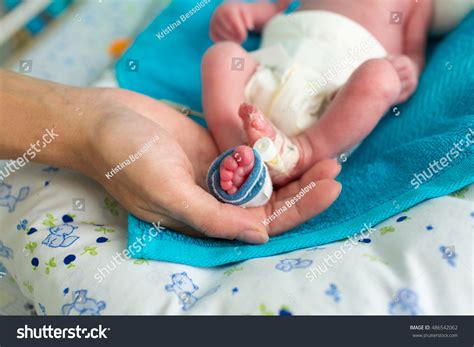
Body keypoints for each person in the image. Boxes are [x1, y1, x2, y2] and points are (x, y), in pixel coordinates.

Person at [0, 69, 341, 244]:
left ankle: (306, 148)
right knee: (221, 56)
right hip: (280, 71)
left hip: (321, 92)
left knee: (377, 80)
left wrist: (94, 117)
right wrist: (93, 124)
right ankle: (245, 149)